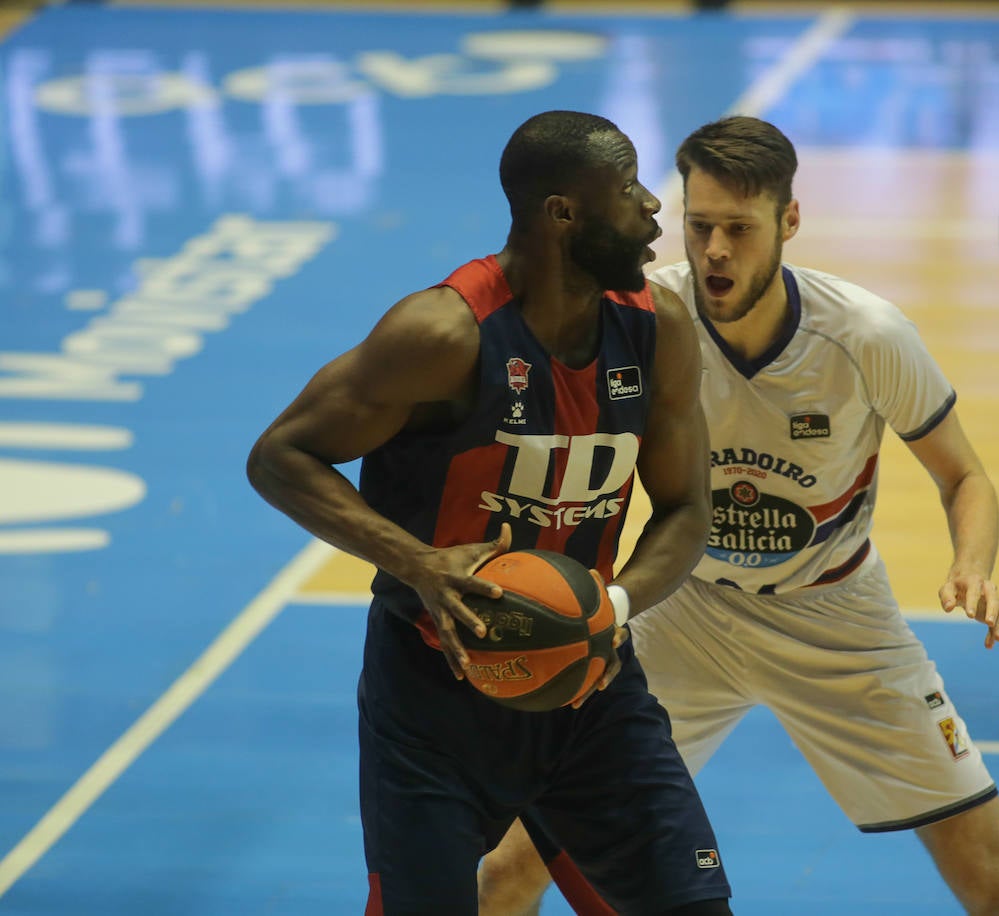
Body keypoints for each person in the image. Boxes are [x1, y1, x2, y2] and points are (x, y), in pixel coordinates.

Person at [477, 116, 999, 916]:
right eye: (700, 226)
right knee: (506, 871)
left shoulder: (866, 334)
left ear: (790, 221)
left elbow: (965, 476)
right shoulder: (645, 315)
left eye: (740, 229)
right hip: (685, 610)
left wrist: (972, 565)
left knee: (995, 886)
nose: (715, 249)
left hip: (838, 617)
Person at [246, 109, 734, 915]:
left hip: (590, 690)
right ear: (563, 214)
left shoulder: (658, 330)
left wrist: (609, 607)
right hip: (435, 696)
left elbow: (687, 510)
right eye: (628, 190)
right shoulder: (442, 333)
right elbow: (280, 458)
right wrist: (418, 562)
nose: (654, 207)